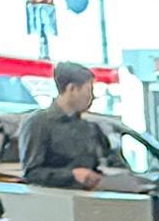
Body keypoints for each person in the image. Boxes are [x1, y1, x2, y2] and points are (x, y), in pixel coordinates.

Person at [18, 61, 123, 189]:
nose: (92, 97)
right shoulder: (38, 123)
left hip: (90, 200)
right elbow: (32, 174)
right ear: (71, 89)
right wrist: (71, 175)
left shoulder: (90, 127)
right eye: (89, 90)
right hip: (55, 202)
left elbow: (109, 162)